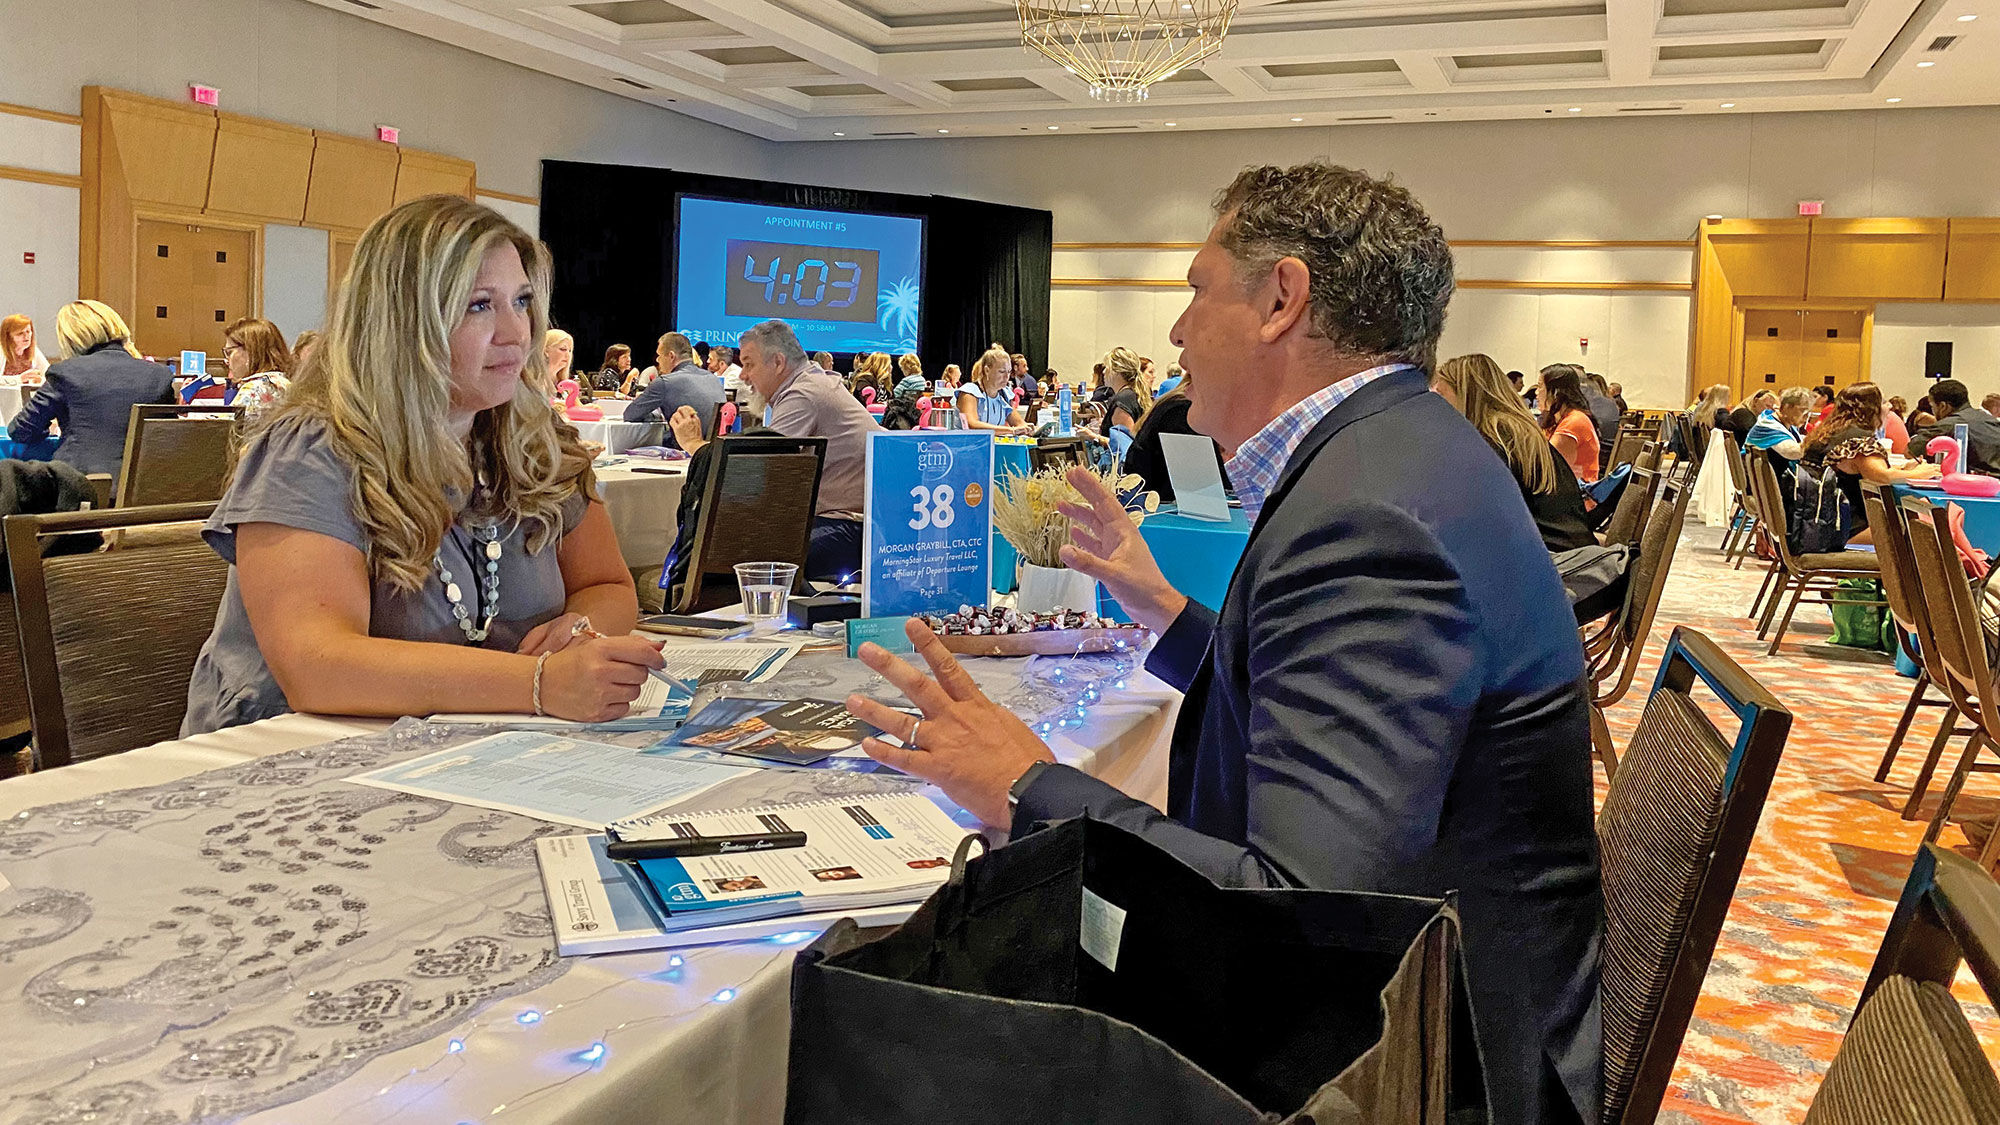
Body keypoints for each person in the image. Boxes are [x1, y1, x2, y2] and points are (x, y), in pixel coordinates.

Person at [841, 162, 1600, 1125]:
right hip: (1454, 999)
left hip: (1426, 1070)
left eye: (1197, 289)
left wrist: (1027, 785)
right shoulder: (1400, 450)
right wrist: (1166, 611)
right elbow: (1318, 702)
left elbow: (1299, 907)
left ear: (1282, 297)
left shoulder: (1369, 515)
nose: (1176, 329)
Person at [181, 195, 660, 735]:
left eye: (521, 301)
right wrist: (538, 683)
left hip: (484, 746)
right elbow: (318, 667)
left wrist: (581, 628)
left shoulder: (535, 441)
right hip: (296, 754)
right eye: (479, 305)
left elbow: (609, 586)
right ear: (403, 321)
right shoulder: (312, 450)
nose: (516, 332)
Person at [737, 319, 879, 581]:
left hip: (849, 527)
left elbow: (756, 472)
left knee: (747, 557)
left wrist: (694, 447)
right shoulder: (812, 382)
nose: (742, 376)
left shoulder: (802, 394)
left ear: (778, 363)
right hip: (859, 523)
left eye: (748, 364)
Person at [1435, 354, 1593, 553]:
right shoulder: (1513, 429)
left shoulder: (1496, 440)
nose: (1436, 404)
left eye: (1441, 395)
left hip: (1551, 560)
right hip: (1565, 545)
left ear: (1465, 394)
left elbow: (1473, 515)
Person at [8, 300, 175, 483]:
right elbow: (166, 437)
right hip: (147, 490)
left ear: (71, 338)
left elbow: (20, 430)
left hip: (83, 490)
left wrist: (54, 429)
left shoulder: (66, 372)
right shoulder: (160, 375)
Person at [1800, 381, 1940, 548]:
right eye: (1883, 402)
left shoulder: (1828, 435)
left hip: (1814, 523)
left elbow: (1858, 471)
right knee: (1930, 527)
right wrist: (1923, 472)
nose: (1888, 406)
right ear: (1870, 408)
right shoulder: (1859, 441)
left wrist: (1902, 469)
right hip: (1843, 528)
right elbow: (1883, 477)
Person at [1118, 365, 1223, 503]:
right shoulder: (1183, 412)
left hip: (1155, 503)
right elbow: (1199, 492)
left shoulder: (1175, 404)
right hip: (1158, 508)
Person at [623, 332, 722, 447]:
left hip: (685, 451)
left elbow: (630, 415)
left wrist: (654, 417)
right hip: (714, 450)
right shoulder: (714, 379)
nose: (657, 360)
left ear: (671, 356)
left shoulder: (664, 382)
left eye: (659, 355)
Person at [1907, 378, 2000, 474]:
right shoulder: (1991, 420)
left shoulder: (1949, 425)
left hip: (1977, 484)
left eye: (1932, 406)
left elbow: (1911, 451)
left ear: (1943, 406)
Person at [221, 317, 295, 423]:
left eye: (229, 352)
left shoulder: (253, 389)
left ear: (250, 351)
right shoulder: (285, 383)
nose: (226, 361)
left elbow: (223, 431)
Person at [1539, 365, 1600, 484]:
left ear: (1556, 393)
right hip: (1564, 490)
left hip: (1577, 496)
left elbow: (1545, 465)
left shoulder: (1574, 422)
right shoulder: (1559, 419)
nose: (1536, 392)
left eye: (1540, 386)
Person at [955, 346, 1029, 433]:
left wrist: (1026, 428)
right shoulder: (969, 392)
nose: (1006, 377)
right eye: (1001, 371)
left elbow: (1019, 423)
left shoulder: (1005, 394)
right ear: (987, 370)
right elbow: (972, 425)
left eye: (1008, 372)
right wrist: (1011, 430)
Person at [1746, 386, 1811, 462]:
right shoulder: (1768, 426)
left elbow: (1796, 439)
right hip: (1772, 473)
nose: (1806, 417)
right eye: (1803, 411)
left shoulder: (1782, 422)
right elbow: (1795, 452)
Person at [1, 314, 49, 383]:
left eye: (28, 331)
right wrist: (18, 379)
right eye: (20, 333)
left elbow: (50, 375)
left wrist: (41, 380)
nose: (26, 336)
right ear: (8, 337)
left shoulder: (34, 350)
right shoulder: (1, 352)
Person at [541, 328, 574, 395]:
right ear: (546, 351)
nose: (568, 355)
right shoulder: (533, 383)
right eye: (563, 349)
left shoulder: (566, 384)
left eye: (570, 351)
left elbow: (576, 404)